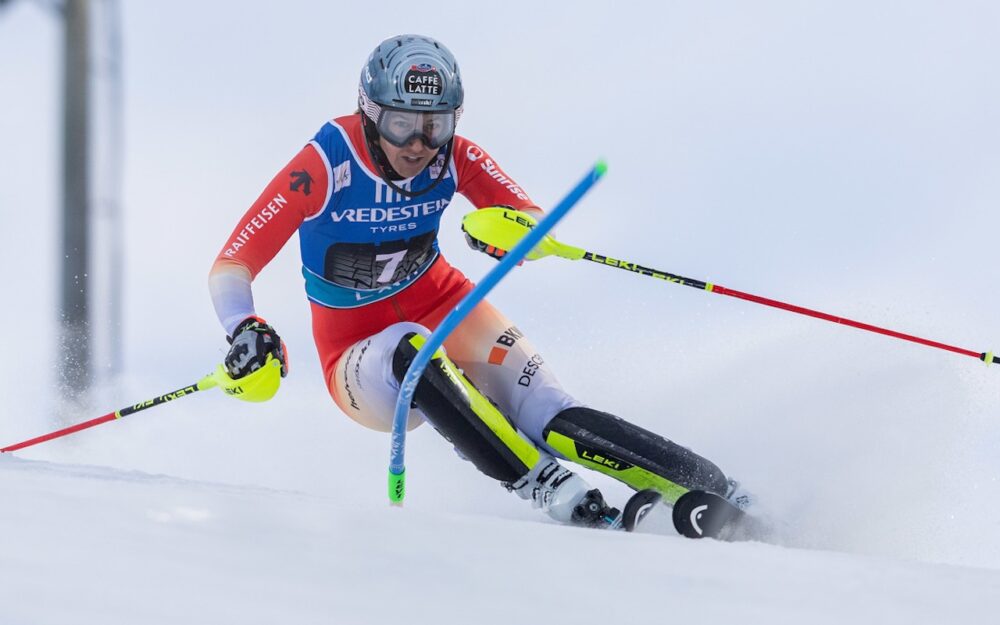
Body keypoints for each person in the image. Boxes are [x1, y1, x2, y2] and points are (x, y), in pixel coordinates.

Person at [209, 34, 744, 527]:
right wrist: (243, 326)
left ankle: (715, 487)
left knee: (548, 414)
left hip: (445, 303)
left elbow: (529, 218)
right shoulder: (325, 164)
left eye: (436, 125)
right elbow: (232, 263)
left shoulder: (455, 157)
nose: (418, 144)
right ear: (369, 115)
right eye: (401, 124)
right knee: (410, 349)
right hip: (357, 357)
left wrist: (511, 232)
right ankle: (545, 485)